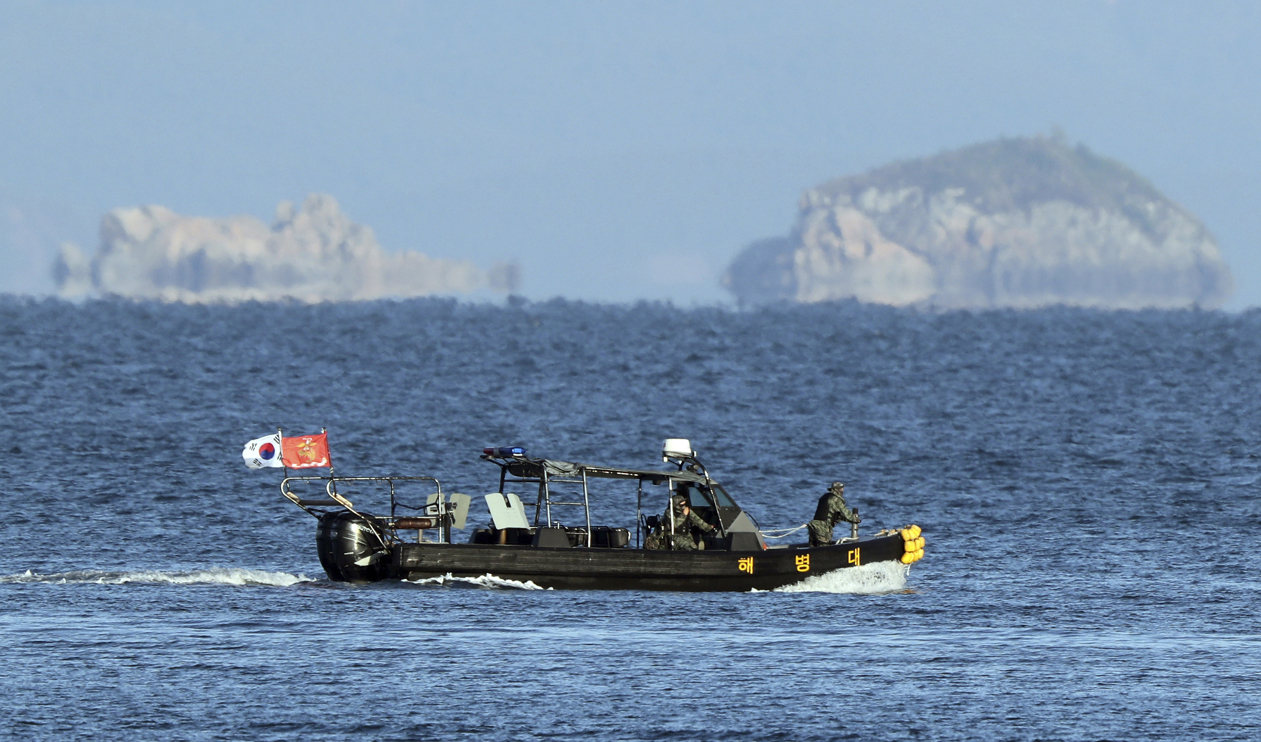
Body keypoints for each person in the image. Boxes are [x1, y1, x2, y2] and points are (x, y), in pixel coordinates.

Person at [647, 494, 716, 550]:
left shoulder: (686, 510)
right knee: (688, 546)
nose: (684, 507)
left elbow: (697, 520)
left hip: (685, 534)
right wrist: (684, 515)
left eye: (684, 504)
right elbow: (674, 525)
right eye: (681, 505)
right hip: (673, 535)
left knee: (693, 545)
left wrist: (709, 527)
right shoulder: (669, 512)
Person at [807, 481, 860, 547]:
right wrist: (855, 519)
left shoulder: (824, 497)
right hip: (823, 527)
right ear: (838, 490)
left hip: (813, 525)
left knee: (813, 548)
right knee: (824, 549)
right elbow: (845, 513)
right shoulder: (835, 499)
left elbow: (835, 514)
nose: (842, 490)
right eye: (841, 489)